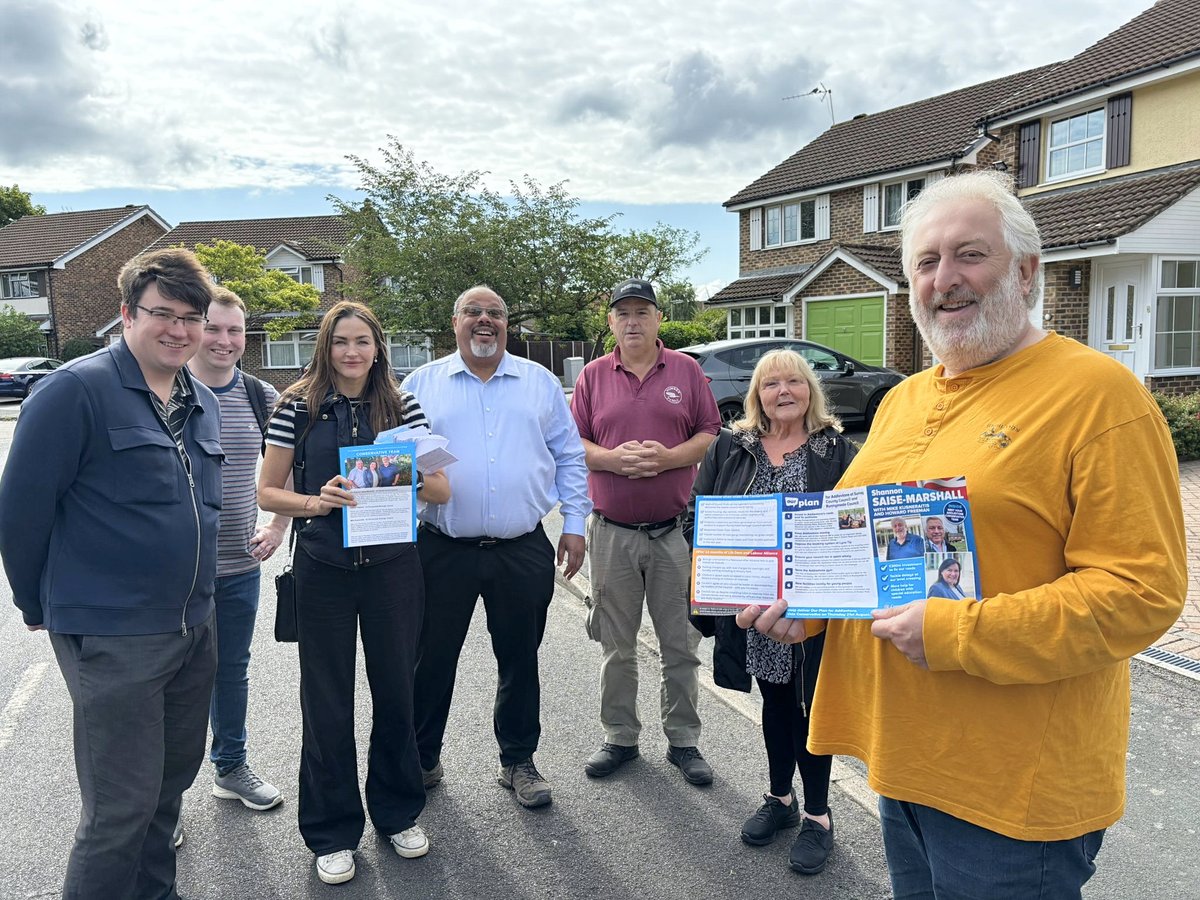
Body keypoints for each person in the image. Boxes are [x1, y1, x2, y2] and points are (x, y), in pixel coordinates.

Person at [738, 170, 1186, 899]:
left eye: (969, 254)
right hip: (903, 763)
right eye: (926, 261)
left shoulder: (1100, 397)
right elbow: (861, 548)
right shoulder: (905, 399)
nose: (945, 279)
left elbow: (1141, 593)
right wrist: (809, 605)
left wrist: (956, 634)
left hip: (1014, 794)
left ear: (1027, 271)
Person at [0, 248, 222, 900]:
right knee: (120, 809)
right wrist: (33, 600)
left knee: (166, 791)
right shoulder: (74, 391)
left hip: (192, 629)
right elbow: (21, 511)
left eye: (191, 318)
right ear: (126, 314)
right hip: (112, 633)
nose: (178, 330)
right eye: (162, 314)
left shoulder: (200, 398)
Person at [258, 301, 450, 886]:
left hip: (393, 569)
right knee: (325, 702)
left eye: (362, 341)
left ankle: (397, 814)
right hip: (322, 569)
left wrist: (397, 470)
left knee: (397, 691)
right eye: (341, 341)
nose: (352, 352)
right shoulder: (296, 406)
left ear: (378, 346)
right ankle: (332, 830)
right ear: (325, 345)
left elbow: (441, 490)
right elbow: (268, 492)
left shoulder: (404, 405)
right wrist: (318, 501)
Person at [403, 285, 591, 810]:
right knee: (430, 659)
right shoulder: (421, 384)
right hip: (442, 548)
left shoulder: (539, 383)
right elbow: (399, 463)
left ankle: (518, 760)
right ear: (455, 320)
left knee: (519, 658)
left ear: (507, 324)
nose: (485, 321)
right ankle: (423, 757)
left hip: (521, 547)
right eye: (473, 312)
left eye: (496, 314)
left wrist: (574, 524)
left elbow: (569, 457)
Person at [684, 349, 856, 876]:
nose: (783, 392)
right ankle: (781, 799)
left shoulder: (837, 451)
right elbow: (697, 513)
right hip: (751, 610)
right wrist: (716, 560)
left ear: (811, 391)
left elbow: (853, 521)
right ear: (756, 395)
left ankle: (820, 816)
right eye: (770, 384)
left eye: (794, 382)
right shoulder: (731, 448)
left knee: (811, 711)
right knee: (776, 703)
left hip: (812, 611)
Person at [570, 277, 721, 784]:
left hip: (673, 533)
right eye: (623, 314)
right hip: (611, 533)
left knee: (680, 644)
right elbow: (575, 444)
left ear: (659, 318)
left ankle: (684, 740)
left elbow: (709, 432)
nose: (632, 321)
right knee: (617, 645)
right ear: (611, 322)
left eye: (642, 312)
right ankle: (619, 737)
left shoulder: (686, 370)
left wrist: (670, 459)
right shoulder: (593, 376)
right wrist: (612, 460)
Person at [185, 287, 287, 829]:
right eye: (215, 328)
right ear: (196, 329)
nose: (225, 341)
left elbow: (287, 464)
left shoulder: (259, 394)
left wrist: (278, 523)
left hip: (238, 567)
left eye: (235, 331)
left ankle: (230, 767)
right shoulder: (168, 389)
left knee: (232, 670)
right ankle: (161, 799)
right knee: (171, 678)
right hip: (175, 573)